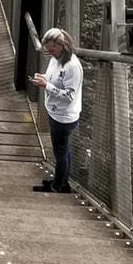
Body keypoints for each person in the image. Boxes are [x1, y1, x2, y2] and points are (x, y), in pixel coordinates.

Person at [29, 28, 83, 194]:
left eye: (52, 49)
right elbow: (54, 78)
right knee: (63, 149)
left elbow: (69, 95)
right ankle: (62, 182)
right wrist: (43, 78)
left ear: (62, 45)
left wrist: (47, 86)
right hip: (55, 112)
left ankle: (58, 186)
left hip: (64, 116)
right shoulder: (56, 59)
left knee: (60, 152)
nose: (50, 53)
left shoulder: (72, 66)